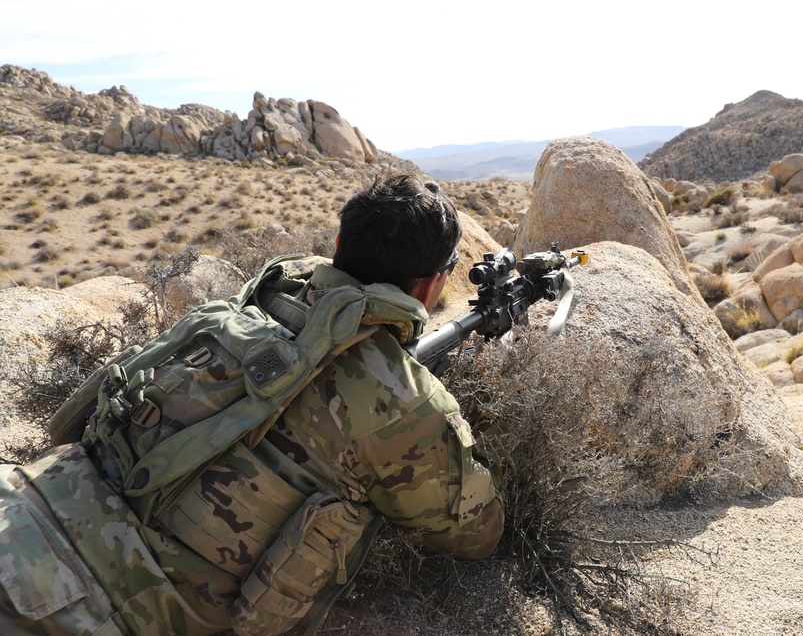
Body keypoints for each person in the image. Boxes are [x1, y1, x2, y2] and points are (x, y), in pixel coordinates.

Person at [0, 174, 504, 635]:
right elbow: (476, 535)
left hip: (23, 502)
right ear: (433, 283)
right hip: (91, 609)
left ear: (337, 246)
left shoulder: (248, 303)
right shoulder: (404, 403)